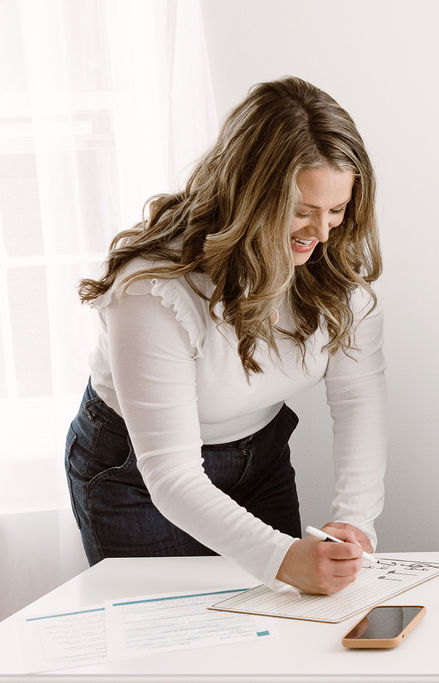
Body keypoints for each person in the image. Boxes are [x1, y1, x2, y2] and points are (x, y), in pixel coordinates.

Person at [65, 76, 385, 596]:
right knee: (166, 647)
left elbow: (357, 398)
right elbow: (171, 475)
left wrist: (356, 520)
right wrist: (282, 558)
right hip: (137, 475)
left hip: (258, 456)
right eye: (301, 211)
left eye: (337, 211)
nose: (321, 233)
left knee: (279, 630)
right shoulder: (155, 291)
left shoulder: (335, 274)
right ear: (248, 194)